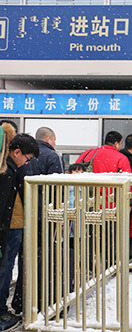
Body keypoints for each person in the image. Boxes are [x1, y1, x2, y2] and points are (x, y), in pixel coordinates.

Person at [0, 133, 39, 330]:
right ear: (17, 152)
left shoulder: (8, 167)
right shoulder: (7, 171)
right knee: (5, 270)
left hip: (10, 226)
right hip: (10, 227)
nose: (27, 163)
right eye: (27, 158)